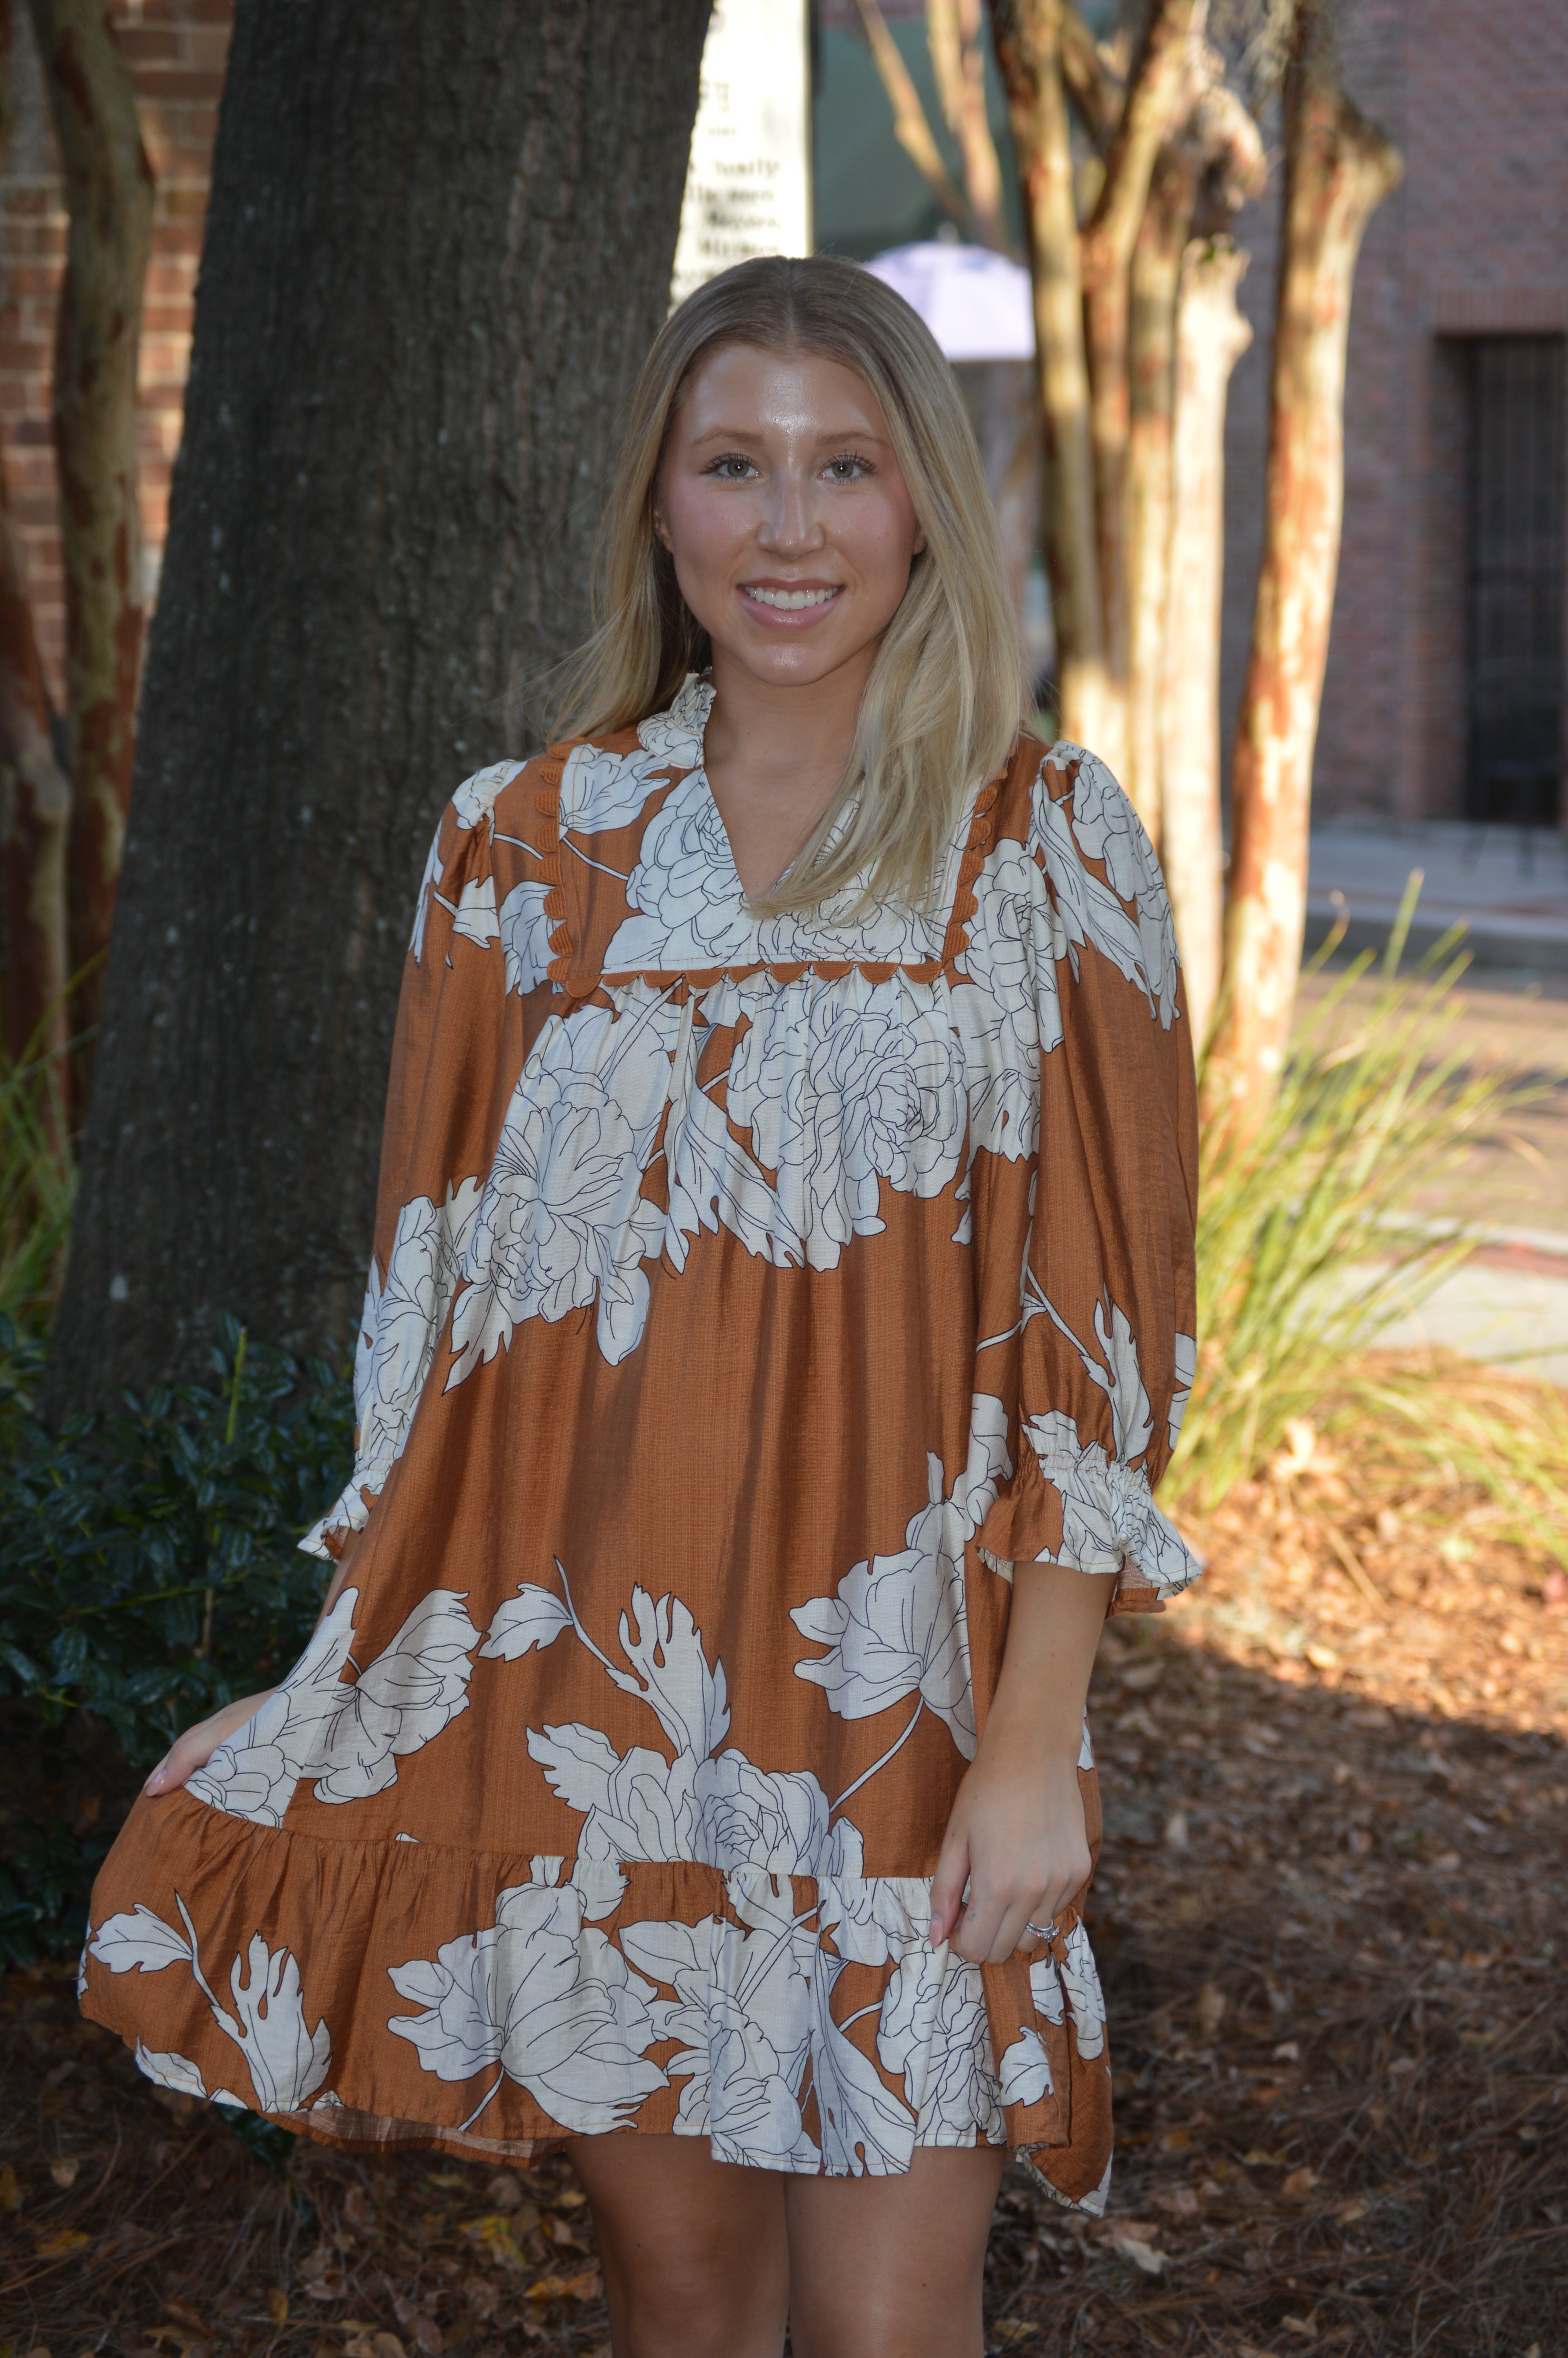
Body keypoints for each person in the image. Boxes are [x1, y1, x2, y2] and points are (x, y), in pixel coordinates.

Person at [80, 254, 1200, 2358]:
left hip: (910, 1707)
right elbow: (436, 1330)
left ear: (922, 505)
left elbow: (1104, 1337)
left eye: (847, 467)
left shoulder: (1039, 841)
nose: (792, 528)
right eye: (737, 466)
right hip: (599, 1707)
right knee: (688, 2299)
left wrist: (1038, 1745)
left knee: (888, 2324)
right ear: (662, 511)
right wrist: (353, 1664)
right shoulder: (521, 850)